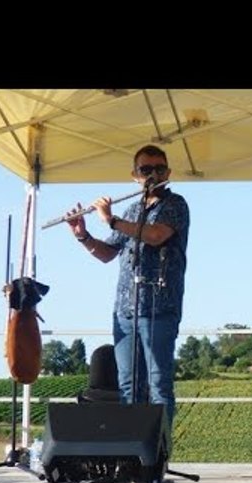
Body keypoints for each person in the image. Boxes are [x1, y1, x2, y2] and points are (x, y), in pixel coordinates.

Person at [65, 145, 189, 431]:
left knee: (158, 383)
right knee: (128, 385)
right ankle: (133, 450)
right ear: (135, 176)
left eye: (159, 169)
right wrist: (83, 235)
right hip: (125, 310)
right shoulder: (133, 209)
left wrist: (112, 220)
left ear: (168, 173)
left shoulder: (175, 205)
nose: (154, 174)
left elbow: (156, 236)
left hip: (160, 307)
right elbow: (108, 253)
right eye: (146, 170)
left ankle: (159, 455)